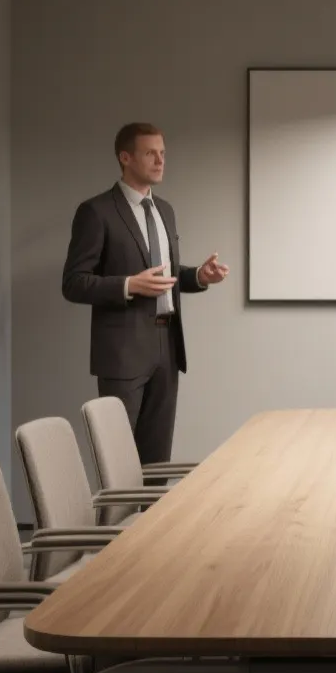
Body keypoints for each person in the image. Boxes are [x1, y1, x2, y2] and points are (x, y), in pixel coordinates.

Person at [61, 122, 228, 465]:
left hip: (167, 348)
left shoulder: (165, 210)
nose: (160, 160)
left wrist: (198, 275)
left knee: (157, 463)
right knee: (118, 463)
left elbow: (164, 273)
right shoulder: (96, 212)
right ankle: (118, 523)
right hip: (123, 353)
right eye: (150, 153)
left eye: (163, 153)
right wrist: (127, 285)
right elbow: (74, 282)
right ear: (125, 157)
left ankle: (154, 521)